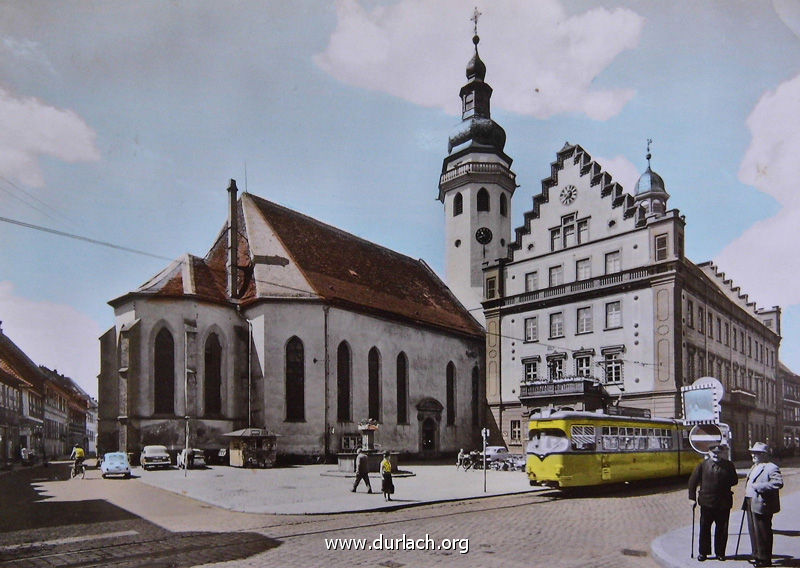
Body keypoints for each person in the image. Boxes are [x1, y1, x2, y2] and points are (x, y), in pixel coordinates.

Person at [688, 442, 738, 562]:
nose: (716, 455)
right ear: (709, 453)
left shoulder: (729, 465)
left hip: (723, 503)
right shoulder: (702, 465)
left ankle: (720, 553)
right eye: (713, 452)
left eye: (718, 452)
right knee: (705, 528)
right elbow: (692, 482)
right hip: (707, 503)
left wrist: (723, 484)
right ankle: (703, 553)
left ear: (722, 453)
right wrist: (692, 498)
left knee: (722, 529)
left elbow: (734, 480)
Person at [744, 442, 784, 567]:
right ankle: (756, 555)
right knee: (753, 531)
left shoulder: (771, 467)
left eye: (758, 453)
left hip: (762, 504)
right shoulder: (754, 466)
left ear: (765, 455)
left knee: (763, 532)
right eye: (753, 453)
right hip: (751, 502)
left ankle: (765, 559)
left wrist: (759, 487)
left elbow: (778, 483)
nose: (754, 455)